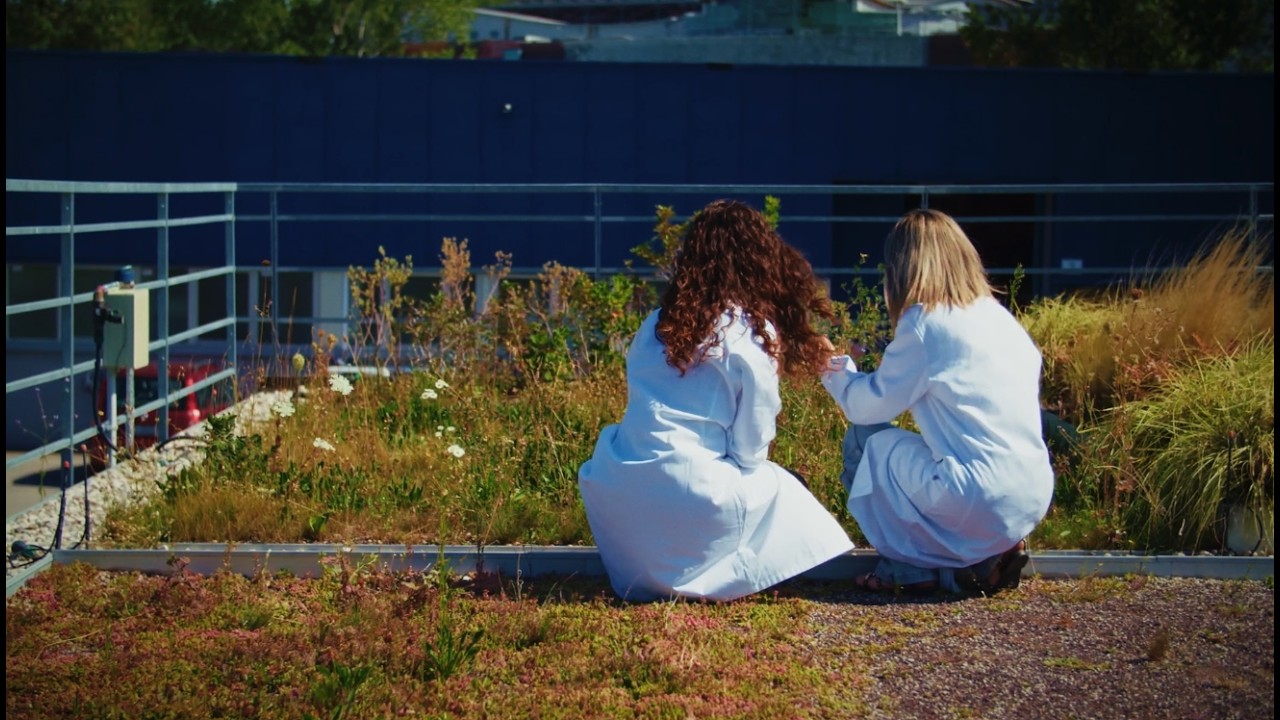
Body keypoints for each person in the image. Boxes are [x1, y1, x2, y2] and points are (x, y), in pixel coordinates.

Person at [578, 199, 855, 602]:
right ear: (757, 260)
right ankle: (721, 575)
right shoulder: (748, 331)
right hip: (695, 494)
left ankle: (666, 573)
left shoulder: (654, 324)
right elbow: (751, 447)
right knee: (787, 486)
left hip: (621, 493)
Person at [820, 208, 1053, 596]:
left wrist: (833, 369)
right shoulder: (1001, 319)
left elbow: (867, 406)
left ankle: (906, 569)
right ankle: (987, 556)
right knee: (935, 459)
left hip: (976, 494)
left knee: (864, 440)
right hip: (1030, 494)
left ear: (902, 268)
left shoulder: (924, 323)